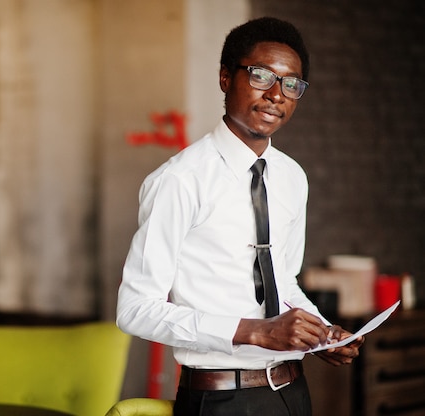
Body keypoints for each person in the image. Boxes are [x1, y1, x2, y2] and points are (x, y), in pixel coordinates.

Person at [116, 17, 364, 416]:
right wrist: (254, 331)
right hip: (220, 399)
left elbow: (283, 281)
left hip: (293, 392)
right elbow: (135, 309)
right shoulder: (180, 180)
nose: (276, 95)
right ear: (225, 79)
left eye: (290, 84)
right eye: (262, 76)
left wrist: (321, 334)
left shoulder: (292, 177)